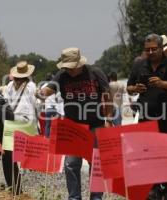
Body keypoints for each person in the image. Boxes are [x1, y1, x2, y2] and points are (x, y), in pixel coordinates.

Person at [39, 47, 113, 200]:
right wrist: (41, 93)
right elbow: (48, 90)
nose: (69, 70)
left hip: (95, 124)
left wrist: (109, 120)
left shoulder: (95, 73)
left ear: (80, 63)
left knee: (95, 162)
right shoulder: (62, 75)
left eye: (72, 67)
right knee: (71, 164)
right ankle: (74, 197)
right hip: (73, 126)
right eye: (66, 67)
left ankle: (96, 197)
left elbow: (108, 97)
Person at [126, 34, 167, 200]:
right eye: (148, 49)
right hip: (147, 118)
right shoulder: (139, 65)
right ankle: (153, 188)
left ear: (162, 49)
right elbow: (128, 88)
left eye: (154, 49)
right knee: (148, 154)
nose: (151, 52)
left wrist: (164, 84)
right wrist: (136, 88)